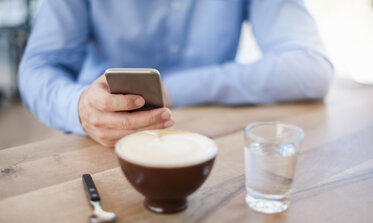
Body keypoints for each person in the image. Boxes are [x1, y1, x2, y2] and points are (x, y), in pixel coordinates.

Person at [18, 0, 333, 147]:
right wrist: (78, 108)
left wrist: (173, 89)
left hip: (210, 139)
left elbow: (310, 67)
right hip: (103, 138)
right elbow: (39, 65)